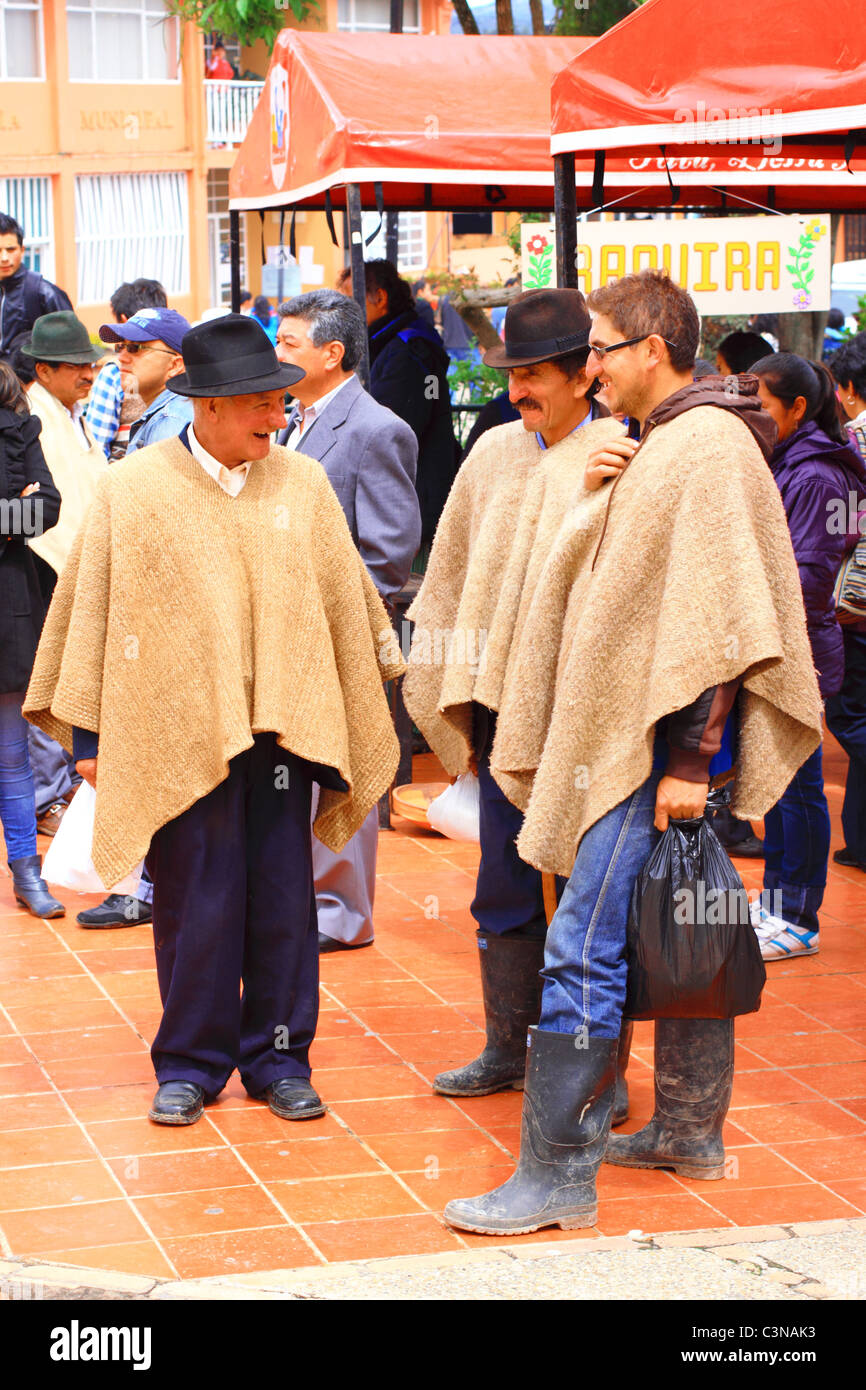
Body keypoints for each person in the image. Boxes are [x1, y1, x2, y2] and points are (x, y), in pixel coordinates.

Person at [442, 270, 823, 1236]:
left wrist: (693, 765)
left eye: (603, 347)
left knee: (583, 944)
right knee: (681, 929)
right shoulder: (668, 442)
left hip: (650, 754)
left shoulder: (701, 446)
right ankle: (688, 1131)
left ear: (653, 348)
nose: (593, 366)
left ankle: (556, 1178)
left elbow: (720, 621)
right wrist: (598, 500)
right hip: (644, 746)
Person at [24, 315, 404, 1126]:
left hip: (284, 736)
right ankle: (191, 1063)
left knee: (281, 902)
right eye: (264, 403)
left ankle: (278, 1058)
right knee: (196, 903)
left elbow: (342, 608)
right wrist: (90, 743)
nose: (279, 415)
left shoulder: (301, 485)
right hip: (174, 733)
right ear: (210, 408)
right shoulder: (136, 490)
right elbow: (90, 615)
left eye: (281, 400)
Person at [404, 288, 636, 1114]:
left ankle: (591, 1079)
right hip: (499, 708)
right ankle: (508, 1049)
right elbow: (455, 577)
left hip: (587, 719)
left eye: (534, 374)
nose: (517, 391)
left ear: (586, 373)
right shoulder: (495, 452)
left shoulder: (621, 452)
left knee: (587, 905)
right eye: (511, 374)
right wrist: (458, 702)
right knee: (504, 889)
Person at [275, 289, 421, 953]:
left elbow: (389, 556)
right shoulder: (292, 420)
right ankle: (309, 902)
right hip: (290, 633)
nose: (278, 353)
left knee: (344, 772)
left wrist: (326, 611)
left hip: (344, 637)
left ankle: (342, 913)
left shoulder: (375, 428)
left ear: (331, 354)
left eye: (289, 343)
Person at [749, 353, 866, 958]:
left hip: (799, 646)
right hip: (777, 642)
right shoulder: (787, 460)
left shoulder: (818, 474)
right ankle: (775, 901)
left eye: (761, 404)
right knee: (779, 781)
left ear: (796, 407)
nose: (753, 415)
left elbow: (806, 576)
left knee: (799, 783)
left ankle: (799, 916)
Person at [22, 312, 109, 832]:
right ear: (43, 370)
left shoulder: (68, 413)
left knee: (65, 681)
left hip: (74, 566)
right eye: (74, 366)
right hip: (45, 568)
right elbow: (44, 508)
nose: (87, 375)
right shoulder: (33, 417)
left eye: (89, 365)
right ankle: (46, 795)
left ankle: (60, 784)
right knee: (44, 685)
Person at [0, 361, 63, 918]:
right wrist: (12, 510)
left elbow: (48, 507)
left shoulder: (19, 429)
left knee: (12, 755)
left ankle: (27, 871)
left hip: (8, 607)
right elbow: (28, 507)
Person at [341, 259, 458, 549]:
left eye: (347, 301)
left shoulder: (408, 349)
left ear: (379, 298)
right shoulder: (393, 342)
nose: (341, 314)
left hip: (414, 495)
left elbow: (392, 430)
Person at [826, 335, 866, 874]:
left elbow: (848, 536)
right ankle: (858, 840)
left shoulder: (852, 445)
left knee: (852, 716)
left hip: (855, 611)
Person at [86, 278, 167, 458]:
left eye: (133, 348)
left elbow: (97, 448)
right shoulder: (184, 364)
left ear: (123, 319)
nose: (124, 357)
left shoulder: (115, 372)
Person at [99, 308, 193, 453]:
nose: (121, 358)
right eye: (121, 347)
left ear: (175, 365)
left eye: (134, 347)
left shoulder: (169, 425)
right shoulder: (165, 415)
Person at [0, 214, 72, 358]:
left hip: (32, 378)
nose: (4, 258)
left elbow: (71, 347)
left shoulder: (44, 292)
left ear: (22, 250)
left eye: (11, 249)